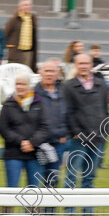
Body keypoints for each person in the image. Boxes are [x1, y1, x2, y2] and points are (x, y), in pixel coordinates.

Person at [62, 53, 108, 213]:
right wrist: (75, 132)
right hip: (78, 139)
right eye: (80, 63)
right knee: (72, 175)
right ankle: (70, 211)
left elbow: (105, 110)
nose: (83, 66)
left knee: (90, 176)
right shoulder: (68, 86)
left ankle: (88, 211)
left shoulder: (101, 84)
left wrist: (105, 132)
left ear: (91, 64)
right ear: (75, 65)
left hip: (97, 138)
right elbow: (67, 112)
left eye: (86, 63)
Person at [0, 71, 48, 187]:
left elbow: (44, 126)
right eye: (18, 84)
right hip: (13, 153)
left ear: (29, 86)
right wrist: (21, 142)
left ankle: (32, 206)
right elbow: (3, 129)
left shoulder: (38, 103)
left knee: (34, 189)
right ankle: (8, 206)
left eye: (23, 84)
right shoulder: (8, 104)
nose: (20, 87)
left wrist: (32, 143)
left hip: (34, 153)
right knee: (12, 189)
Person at [35, 59, 68, 187]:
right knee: (35, 180)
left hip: (58, 142)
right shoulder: (34, 93)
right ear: (40, 73)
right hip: (39, 143)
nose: (49, 74)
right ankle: (33, 207)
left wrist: (64, 134)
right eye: (46, 71)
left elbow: (69, 113)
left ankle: (49, 208)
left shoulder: (64, 92)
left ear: (57, 74)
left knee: (52, 181)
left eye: (52, 72)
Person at [4, 0, 38, 72]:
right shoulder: (14, 19)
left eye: (28, 5)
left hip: (28, 52)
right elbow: (5, 33)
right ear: (20, 7)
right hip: (16, 52)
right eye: (24, 5)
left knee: (26, 73)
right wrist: (10, 46)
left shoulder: (33, 19)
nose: (27, 7)